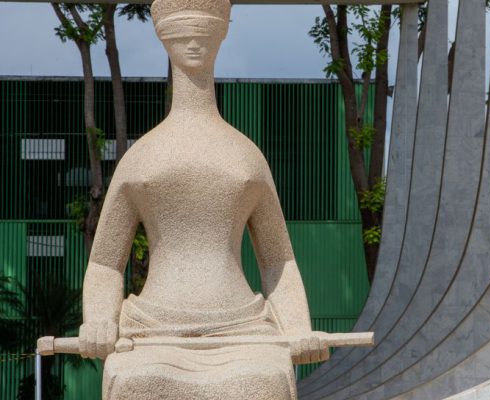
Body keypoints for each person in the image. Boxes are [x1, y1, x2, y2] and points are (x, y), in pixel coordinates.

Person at [76, 0, 327, 398]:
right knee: (137, 382)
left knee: (262, 383)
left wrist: (297, 329)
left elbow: (279, 259)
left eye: (203, 34)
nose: (194, 43)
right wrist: (99, 321)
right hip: (152, 331)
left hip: (244, 329)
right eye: (183, 34)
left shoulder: (246, 156)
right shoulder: (141, 157)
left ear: (222, 34)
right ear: (164, 39)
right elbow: (106, 261)